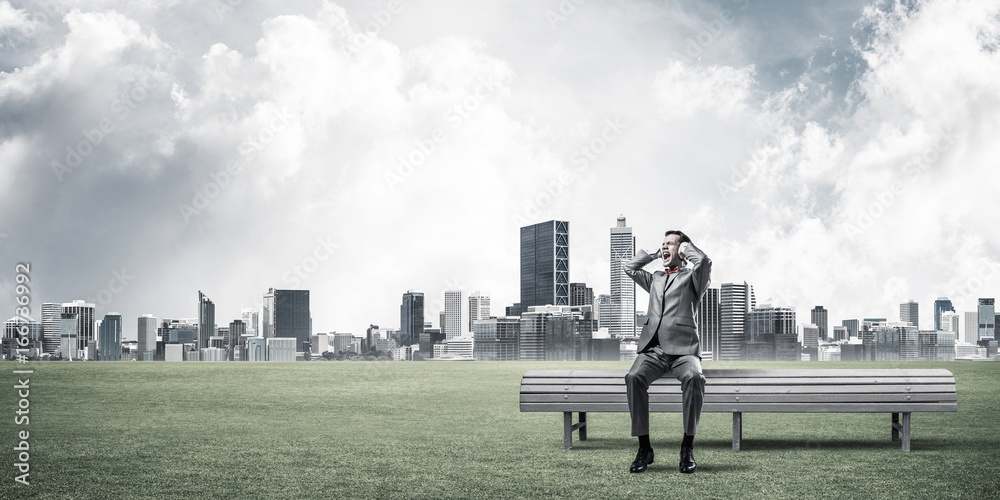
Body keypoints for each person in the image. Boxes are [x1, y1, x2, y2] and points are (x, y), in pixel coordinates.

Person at [623, 230, 711, 474]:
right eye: (662, 244)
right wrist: (653, 254)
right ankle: (644, 448)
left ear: (681, 250)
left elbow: (704, 261)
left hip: (684, 352)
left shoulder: (694, 278)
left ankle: (687, 447)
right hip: (654, 350)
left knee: (695, 378)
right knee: (633, 377)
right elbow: (629, 268)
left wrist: (685, 247)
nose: (664, 247)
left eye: (670, 244)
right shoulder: (655, 278)